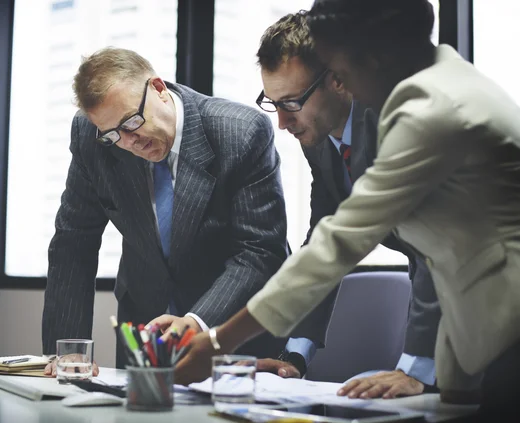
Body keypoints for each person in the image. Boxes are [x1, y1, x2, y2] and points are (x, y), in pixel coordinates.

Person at [175, 0, 520, 419]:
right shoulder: (435, 83)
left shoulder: (431, 112)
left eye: (341, 68)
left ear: (371, 56)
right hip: (474, 325)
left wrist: (218, 342)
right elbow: (331, 234)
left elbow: (342, 242)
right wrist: (295, 355)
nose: (344, 83)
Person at [41, 47, 290, 374]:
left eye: (132, 122)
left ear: (158, 89)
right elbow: (73, 241)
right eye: (113, 135)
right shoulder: (92, 136)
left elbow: (259, 251)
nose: (129, 142)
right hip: (145, 330)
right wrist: (68, 348)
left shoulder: (241, 132)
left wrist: (197, 321)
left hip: (230, 330)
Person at [253, 10, 441, 398]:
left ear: (337, 80)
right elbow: (326, 244)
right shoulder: (319, 140)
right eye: (273, 103)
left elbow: (435, 248)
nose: (282, 124)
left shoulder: (400, 120)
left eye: (291, 102)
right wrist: (295, 356)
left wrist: (415, 368)